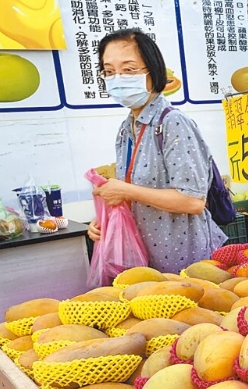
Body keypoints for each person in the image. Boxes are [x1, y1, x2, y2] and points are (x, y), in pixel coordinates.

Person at [88, 28, 227, 273]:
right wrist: (105, 219)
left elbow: (193, 201)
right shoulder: (126, 128)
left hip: (184, 261)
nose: (118, 78)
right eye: (109, 72)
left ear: (153, 72)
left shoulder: (171, 123)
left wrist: (125, 190)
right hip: (144, 257)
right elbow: (134, 193)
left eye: (129, 69)